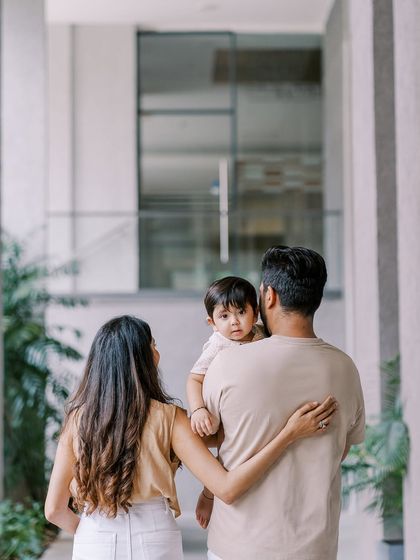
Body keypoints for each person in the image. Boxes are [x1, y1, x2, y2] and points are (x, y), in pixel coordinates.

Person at [44, 315, 337, 560]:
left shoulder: (78, 420)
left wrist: (94, 533)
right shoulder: (170, 419)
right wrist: (289, 434)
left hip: (95, 537)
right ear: (144, 359)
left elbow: (55, 510)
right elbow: (226, 487)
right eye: (153, 345)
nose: (157, 351)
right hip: (155, 537)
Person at [203, 246, 365, 560]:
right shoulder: (345, 368)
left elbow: (208, 438)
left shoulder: (227, 364)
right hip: (315, 549)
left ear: (269, 296)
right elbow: (340, 449)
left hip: (238, 548)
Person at [187, 276, 265, 528]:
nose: (234, 322)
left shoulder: (262, 334)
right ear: (211, 322)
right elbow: (194, 379)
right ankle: (208, 493)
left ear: (256, 312)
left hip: (254, 405)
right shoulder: (218, 345)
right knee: (225, 454)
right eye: (224, 316)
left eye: (241, 312)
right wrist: (198, 409)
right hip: (222, 410)